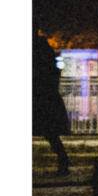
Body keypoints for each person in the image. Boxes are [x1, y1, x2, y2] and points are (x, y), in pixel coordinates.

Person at [34, 29, 72, 174]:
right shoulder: (44, 48)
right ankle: (63, 161)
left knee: (50, 133)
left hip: (40, 95)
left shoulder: (39, 48)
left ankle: (63, 161)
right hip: (45, 95)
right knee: (50, 133)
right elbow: (54, 70)